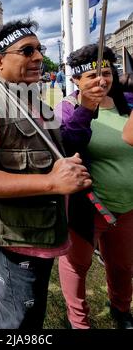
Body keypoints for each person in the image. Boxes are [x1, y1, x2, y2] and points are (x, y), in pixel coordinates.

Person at [0, 18, 91, 329]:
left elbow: (54, 151)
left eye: (39, 50)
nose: (37, 57)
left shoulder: (33, 98)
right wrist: (51, 182)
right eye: (27, 50)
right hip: (15, 242)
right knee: (16, 322)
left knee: (32, 316)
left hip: (44, 232)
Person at [54, 44, 133, 329]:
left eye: (107, 72)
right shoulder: (67, 107)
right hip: (89, 207)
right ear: (76, 80)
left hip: (127, 206)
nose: (101, 80)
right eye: (92, 75)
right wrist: (87, 108)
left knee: (123, 266)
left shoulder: (128, 102)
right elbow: (69, 143)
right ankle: (79, 320)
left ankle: (121, 310)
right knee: (77, 266)